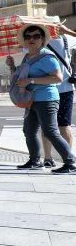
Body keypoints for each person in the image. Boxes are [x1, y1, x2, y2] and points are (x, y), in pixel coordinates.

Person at [14, 24, 76, 173]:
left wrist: (31, 81)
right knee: (29, 130)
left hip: (46, 98)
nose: (31, 39)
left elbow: (58, 78)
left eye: (36, 36)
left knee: (50, 131)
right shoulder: (27, 57)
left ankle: (70, 162)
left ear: (42, 40)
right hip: (31, 99)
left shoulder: (47, 56)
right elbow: (24, 76)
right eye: (28, 36)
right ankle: (35, 160)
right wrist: (14, 70)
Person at [39, 23, 76, 168]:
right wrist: (68, 30)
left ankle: (52, 158)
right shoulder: (66, 38)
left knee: (51, 126)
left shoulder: (38, 40)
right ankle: (66, 158)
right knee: (61, 126)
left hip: (50, 89)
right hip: (59, 88)